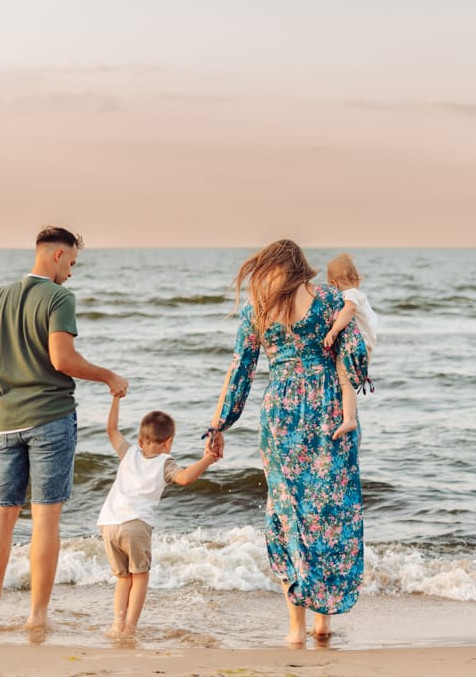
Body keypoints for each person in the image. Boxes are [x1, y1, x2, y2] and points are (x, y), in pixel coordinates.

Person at [0, 225, 129, 632]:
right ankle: (36, 618)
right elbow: (62, 359)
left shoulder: (1, 295)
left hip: (1, 423)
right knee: (46, 521)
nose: (71, 271)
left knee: (0, 516)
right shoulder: (59, 297)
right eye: (71, 261)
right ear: (56, 255)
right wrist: (108, 376)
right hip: (49, 419)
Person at [206, 238, 368, 647]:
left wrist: (219, 423)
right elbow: (355, 354)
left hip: (280, 413)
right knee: (330, 512)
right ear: (301, 266)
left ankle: (297, 627)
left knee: (288, 513)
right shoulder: (330, 299)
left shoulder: (259, 310)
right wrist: (354, 377)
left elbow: (240, 370)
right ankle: (322, 621)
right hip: (329, 409)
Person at [98, 402, 219, 637]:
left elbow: (112, 430)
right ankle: (130, 627)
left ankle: (117, 624)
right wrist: (207, 460)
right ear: (169, 442)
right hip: (136, 524)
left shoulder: (128, 452)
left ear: (141, 440)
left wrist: (115, 400)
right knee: (140, 576)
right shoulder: (165, 462)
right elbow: (184, 478)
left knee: (123, 579)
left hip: (109, 523)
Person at [323, 253, 379, 440]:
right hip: (366, 345)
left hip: (358, 345)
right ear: (357, 280)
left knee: (345, 382)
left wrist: (333, 331)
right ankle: (349, 416)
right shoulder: (359, 294)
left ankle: (349, 418)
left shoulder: (350, 295)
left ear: (333, 284)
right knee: (348, 381)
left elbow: (349, 310)